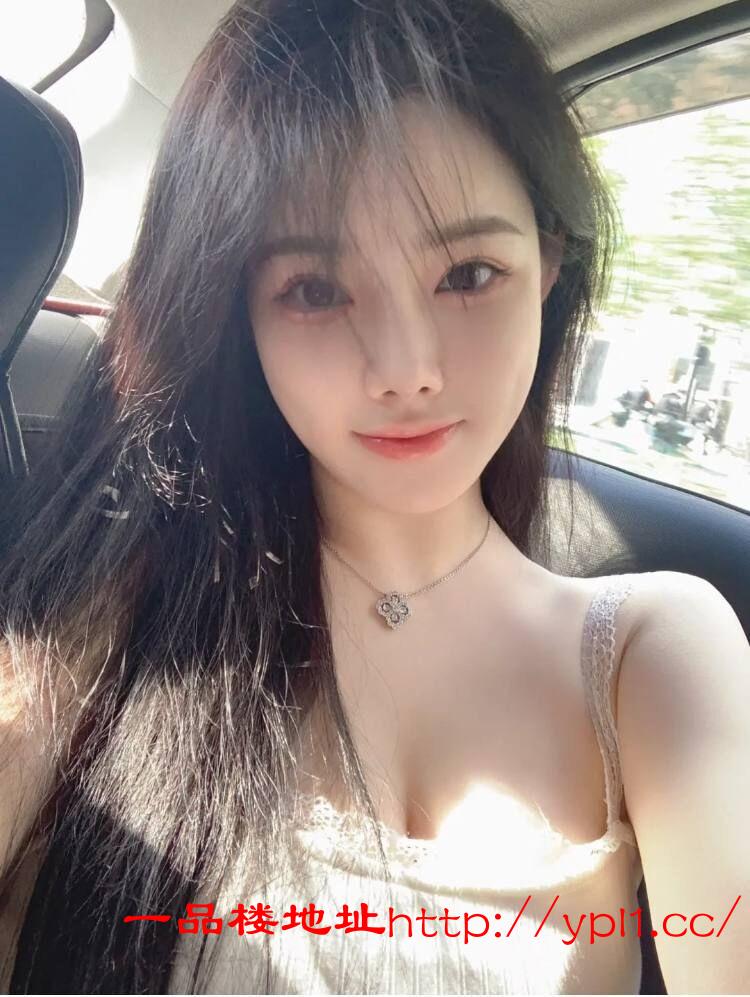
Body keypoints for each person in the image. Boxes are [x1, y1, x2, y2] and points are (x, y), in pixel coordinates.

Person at [0, 1, 748, 994]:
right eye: (314, 289)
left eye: (468, 273)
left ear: (549, 267)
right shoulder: (117, 609)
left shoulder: (652, 655)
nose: (404, 369)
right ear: (239, 314)